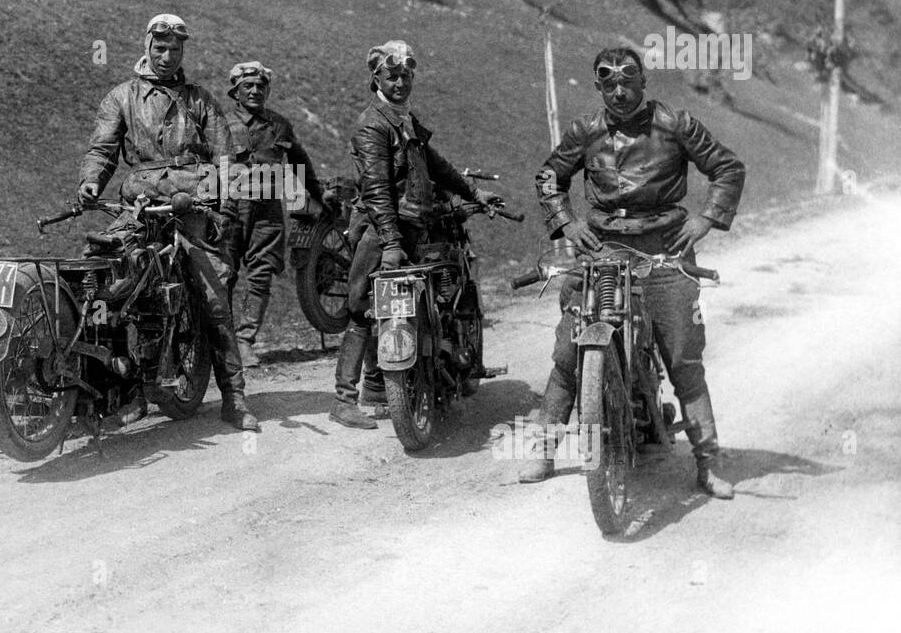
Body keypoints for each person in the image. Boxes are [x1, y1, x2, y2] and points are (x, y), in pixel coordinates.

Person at [519, 46, 745, 498]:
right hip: (603, 249)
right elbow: (549, 176)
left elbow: (727, 167)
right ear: (600, 87)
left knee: (683, 359)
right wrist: (566, 221)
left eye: (629, 81)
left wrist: (705, 219)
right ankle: (543, 448)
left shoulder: (675, 124)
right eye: (609, 84)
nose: (620, 92)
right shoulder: (586, 131)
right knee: (569, 349)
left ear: (643, 82)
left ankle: (708, 462)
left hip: (664, 251)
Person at [78, 14, 259, 431]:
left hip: (193, 203)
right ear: (147, 46)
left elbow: (227, 159)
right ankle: (113, 395)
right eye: (159, 48)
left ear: (182, 52)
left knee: (214, 297)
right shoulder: (121, 97)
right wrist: (90, 181)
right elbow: (103, 150)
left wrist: (222, 202)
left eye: (174, 49)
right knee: (108, 283)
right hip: (140, 203)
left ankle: (234, 396)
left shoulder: (200, 100)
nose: (166, 56)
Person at [331, 40, 499, 429]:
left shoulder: (403, 119)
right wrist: (390, 242)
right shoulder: (373, 123)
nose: (401, 81)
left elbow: (434, 164)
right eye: (392, 75)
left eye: (407, 74)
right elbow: (375, 189)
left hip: (411, 228)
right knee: (362, 308)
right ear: (376, 78)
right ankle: (343, 399)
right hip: (379, 229)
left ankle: (380, 387)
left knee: (415, 305)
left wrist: (473, 191)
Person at [222, 60, 323, 367]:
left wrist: (317, 196)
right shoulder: (220, 122)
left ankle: (245, 340)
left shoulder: (279, 125)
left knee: (262, 273)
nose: (255, 91)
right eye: (247, 87)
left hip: (267, 209)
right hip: (229, 209)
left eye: (260, 86)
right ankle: (222, 343)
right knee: (223, 273)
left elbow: (300, 162)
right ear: (235, 92)